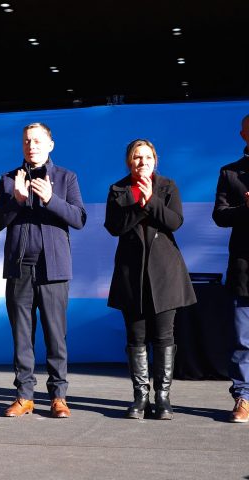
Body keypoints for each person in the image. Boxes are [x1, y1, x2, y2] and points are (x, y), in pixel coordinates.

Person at [0, 123, 86, 418]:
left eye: (38, 141)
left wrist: (51, 199)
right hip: (20, 269)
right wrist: (16, 201)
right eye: (27, 141)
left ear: (50, 144)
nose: (31, 145)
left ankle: (58, 397)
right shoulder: (8, 179)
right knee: (22, 335)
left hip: (54, 269)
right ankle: (24, 396)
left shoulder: (66, 177)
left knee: (56, 336)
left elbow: (79, 218)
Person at [104, 139, 196, 420]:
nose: (142, 162)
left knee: (164, 335)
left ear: (155, 160)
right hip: (131, 274)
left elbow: (174, 222)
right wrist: (139, 204)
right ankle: (140, 397)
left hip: (165, 272)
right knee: (136, 337)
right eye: (136, 157)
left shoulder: (168, 186)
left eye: (147, 157)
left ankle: (163, 398)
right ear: (128, 162)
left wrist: (151, 200)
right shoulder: (118, 189)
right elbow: (114, 227)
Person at [212, 114, 249, 423]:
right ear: (243, 134)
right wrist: (245, 209)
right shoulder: (230, 172)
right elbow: (220, 216)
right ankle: (243, 397)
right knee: (242, 340)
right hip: (244, 268)